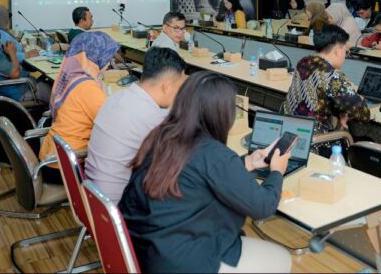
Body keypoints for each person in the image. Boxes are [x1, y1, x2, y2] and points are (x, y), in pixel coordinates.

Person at [120, 72, 292, 273]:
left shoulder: (162, 135)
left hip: (144, 250)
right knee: (281, 258)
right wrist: (277, 172)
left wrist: (248, 162)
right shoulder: (214, 154)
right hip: (180, 261)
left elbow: (198, 171)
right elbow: (263, 206)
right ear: (221, 113)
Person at [85, 47, 188, 202]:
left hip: (93, 194)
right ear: (166, 86)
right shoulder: (153, 117)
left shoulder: (116, 97)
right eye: (180, 87)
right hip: (117, 205)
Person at [39, 32, 120, 184]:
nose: (109, 63)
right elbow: (113, 126)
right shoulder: (87, 88)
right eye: (107, 57)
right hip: (66, 166)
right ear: (93, 56)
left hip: (51, 156)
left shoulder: (72, 77)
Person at [286, 24, 375, 140]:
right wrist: (359, 99)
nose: (345, 56)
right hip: (313, 141)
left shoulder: (304, 62)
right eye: (345, 51)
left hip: (289, 132)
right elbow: (363, 114)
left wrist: (341, 112)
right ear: (338, 50)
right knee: (366, 141)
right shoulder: (333, 76)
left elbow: (322, 98)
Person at [0, 21, 50, 103]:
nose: (0, 37)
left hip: (25, 83)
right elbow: (15, 74)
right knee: (56, 92)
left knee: (48, 81)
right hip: (20, 91)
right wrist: (12, 53)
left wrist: (10, 54)